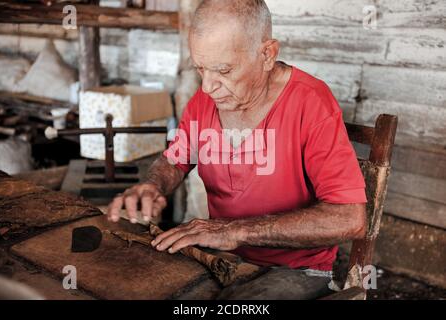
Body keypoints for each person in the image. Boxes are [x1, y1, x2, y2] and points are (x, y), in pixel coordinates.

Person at [108, 0, 367, 300]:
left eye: (223, 70)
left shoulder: (310, 103)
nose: (207, 87)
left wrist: (236, 230)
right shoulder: (206, 101)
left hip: (293, 271)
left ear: (267, 54)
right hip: (221, 259)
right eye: (201, 69)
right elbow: (175, 161)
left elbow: (350, 218)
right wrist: (152, 185)